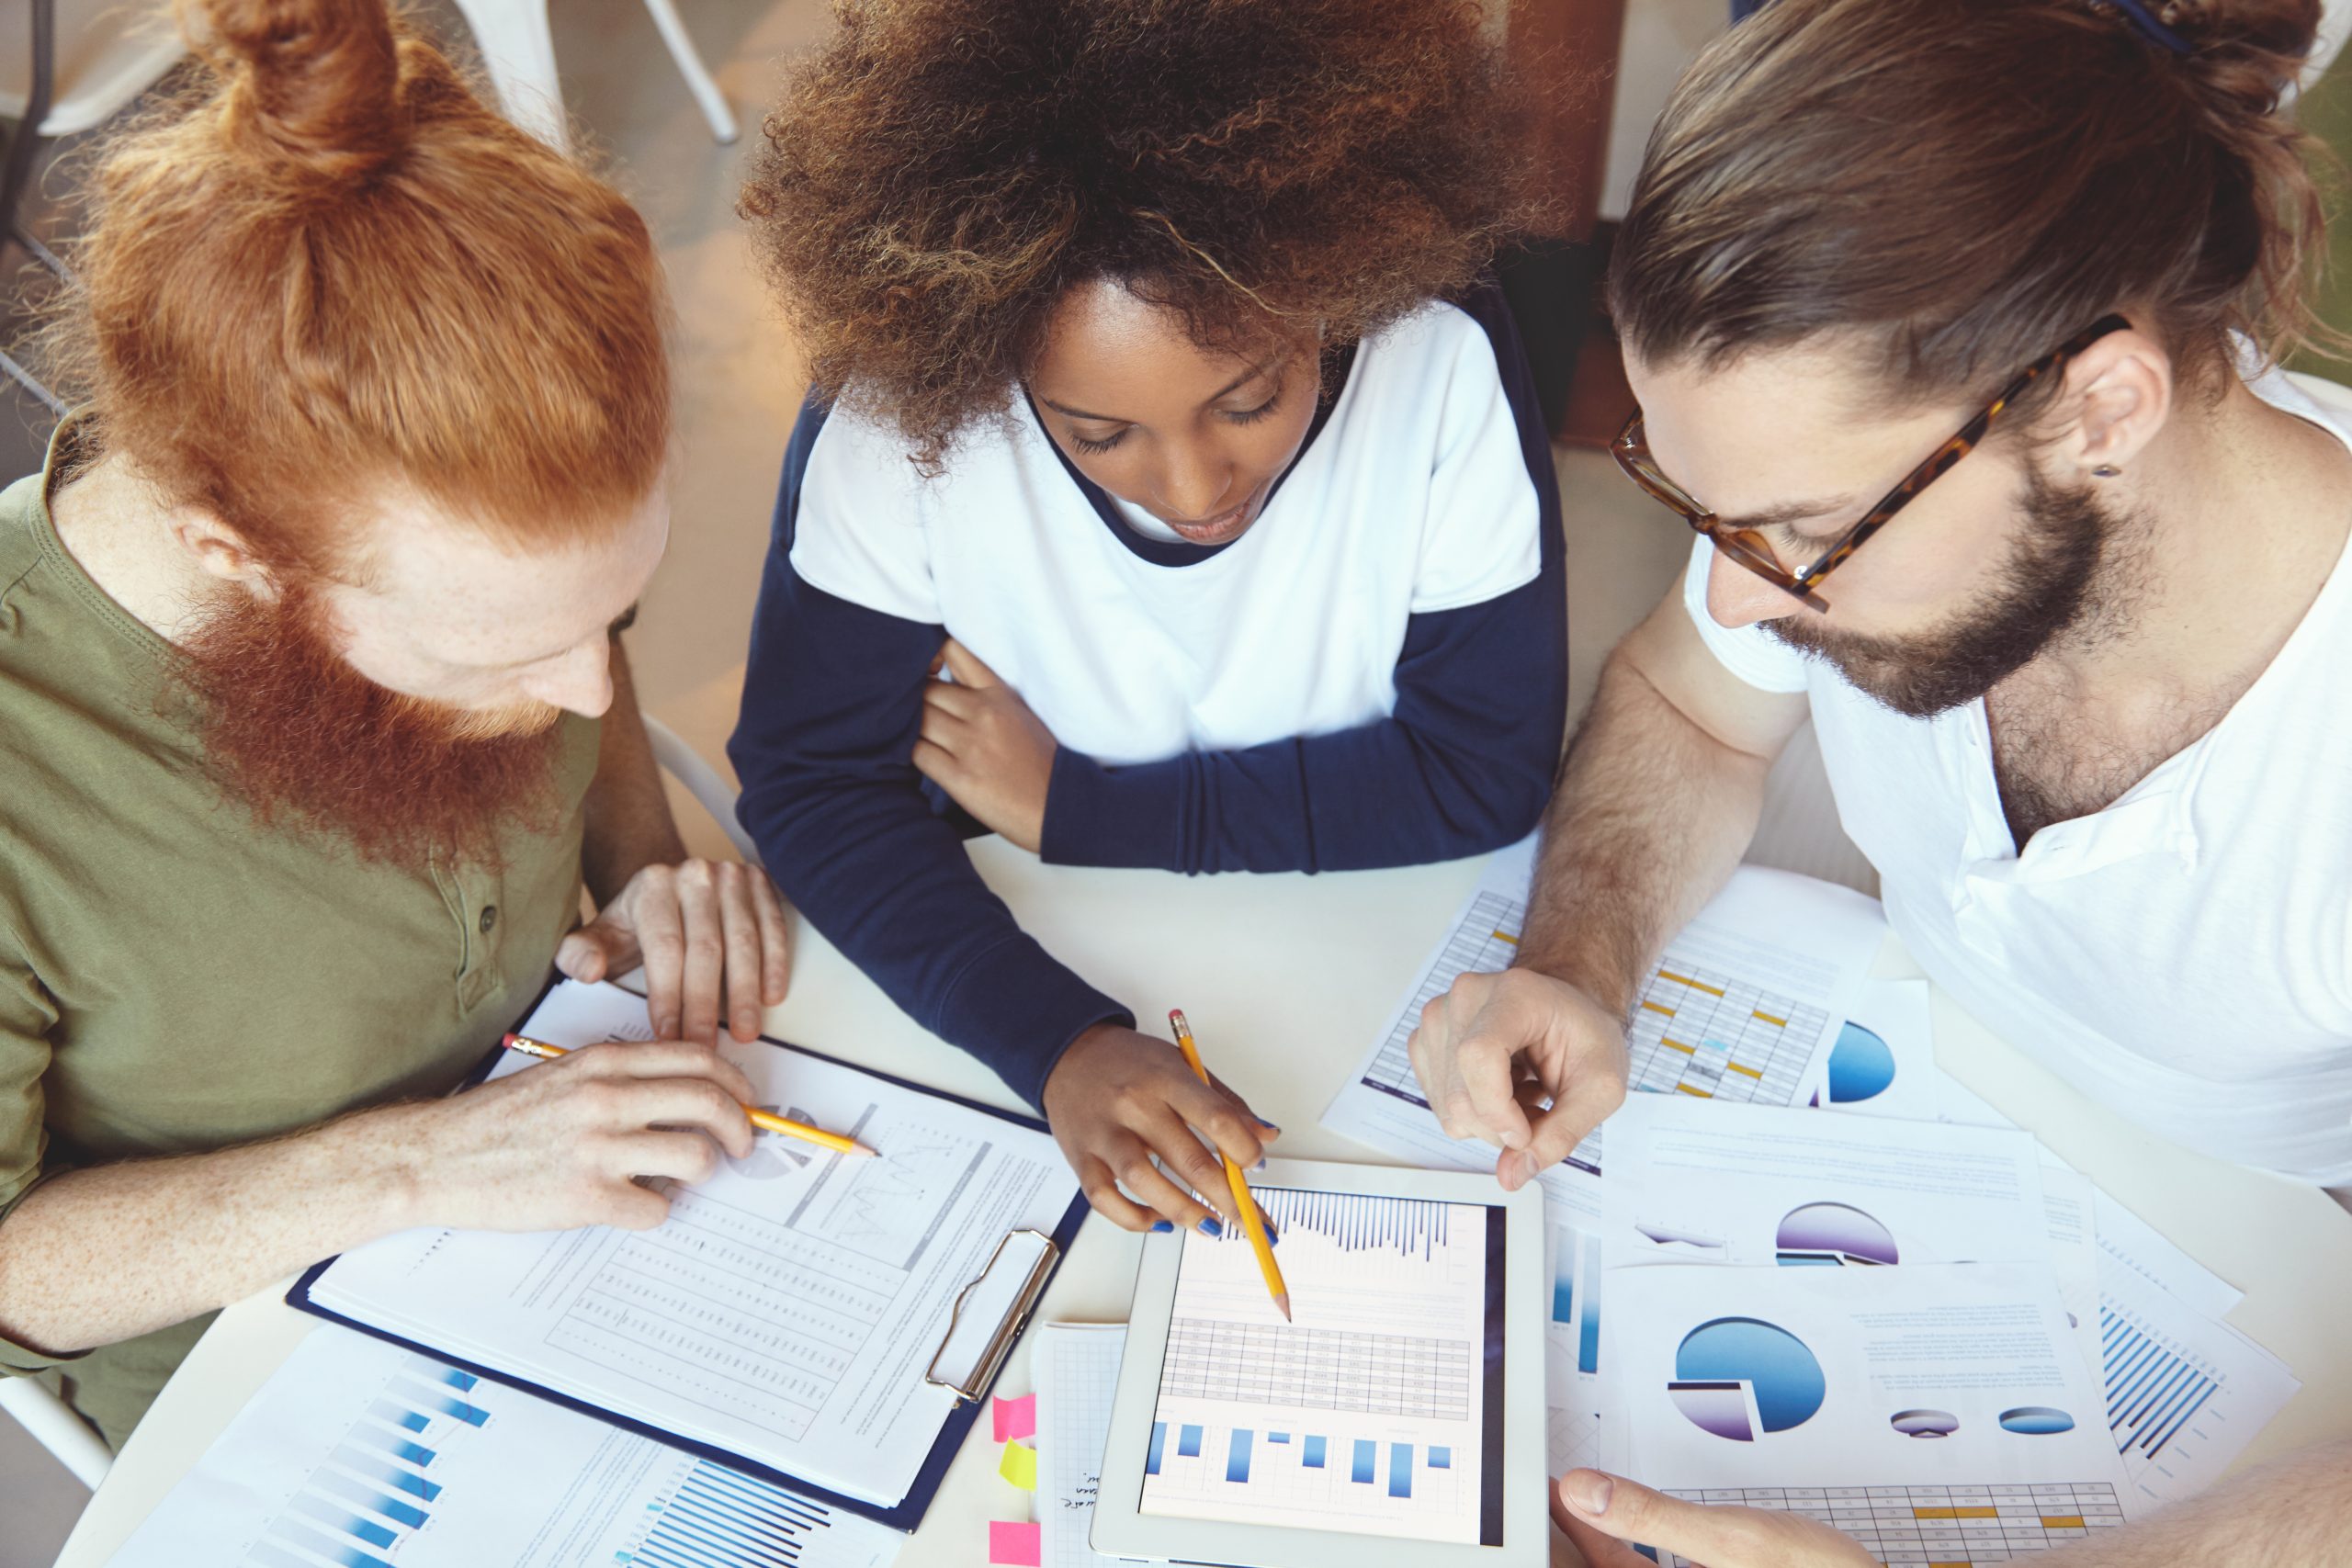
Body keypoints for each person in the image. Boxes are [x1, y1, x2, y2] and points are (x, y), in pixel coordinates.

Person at [1397, 0, 2352, 1558]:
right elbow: (1691, 704)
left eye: (1802, 534)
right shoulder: (1865, 523)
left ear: (2101, 409)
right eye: (1692, 505)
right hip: (1909, 1130)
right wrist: (1576, 957)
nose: (1743, 599)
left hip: (2261, 1299)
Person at [0, 0, 790, 1448]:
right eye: (501, 651)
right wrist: (427, 1168)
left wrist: (648, 861)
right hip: (277, 1375)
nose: (595, 694)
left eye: (604, 609)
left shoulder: (471, 555)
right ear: (236, 557)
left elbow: (580, 682)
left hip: (615, 1202)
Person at [730, 0, 1567, 1235]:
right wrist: (1055, 1041)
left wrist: (1087, 810)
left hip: (1356, 943)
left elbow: (1484, 771)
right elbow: (811, 787)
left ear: (1338, 295)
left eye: (1250, 397)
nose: (1195, 491)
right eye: (1097, 434)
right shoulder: (896, 414)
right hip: (1027, 921)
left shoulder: (1436, 351)